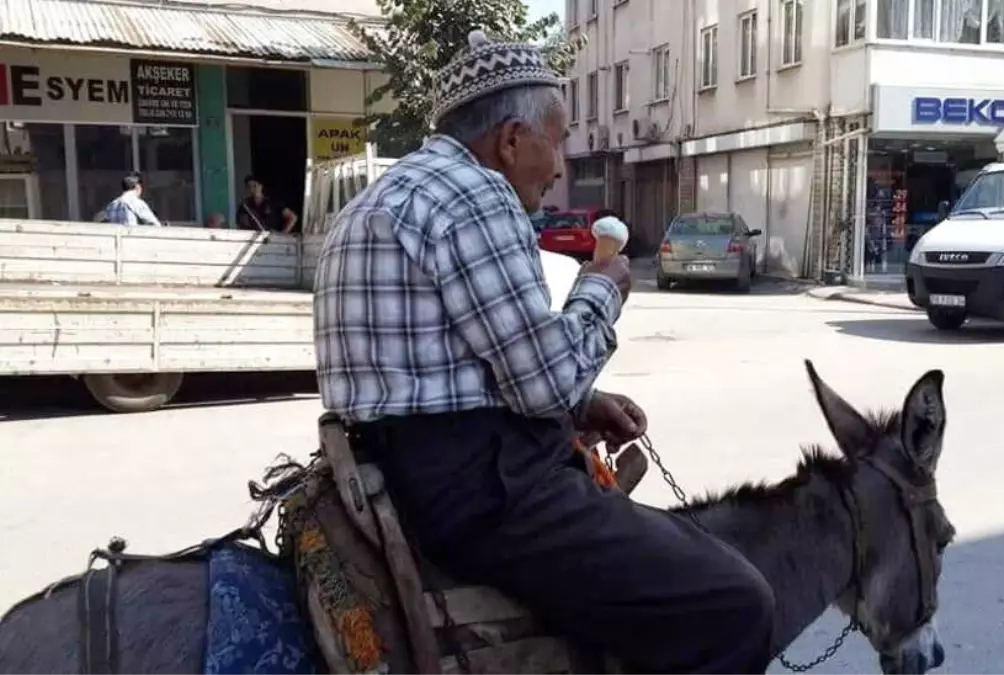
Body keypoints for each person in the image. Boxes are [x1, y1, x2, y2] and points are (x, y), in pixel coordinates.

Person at [312, 30, 774, 674]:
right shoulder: (475, 194)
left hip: (405, 464)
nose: (559, 165)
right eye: (554, 140)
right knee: (736, 602)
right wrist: (601, 290)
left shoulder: (376, 201)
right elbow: (543, 386)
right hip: (486, 488)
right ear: (509, 141)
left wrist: (584, 402)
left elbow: (460, 363)